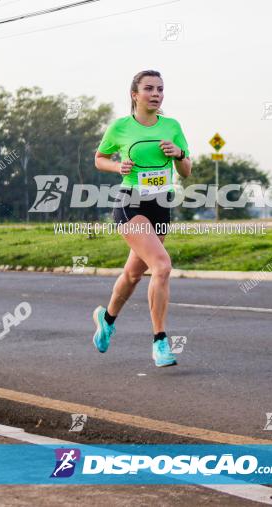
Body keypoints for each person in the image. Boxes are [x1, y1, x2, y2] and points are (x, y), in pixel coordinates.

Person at [92, 70, 191, 367]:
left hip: (161, 204)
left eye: (160, 89)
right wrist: (118, 166)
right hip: (130, 203)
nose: (156, 94)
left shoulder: (172, 126)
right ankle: (160, 341)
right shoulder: (120, 127)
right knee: (161, 266)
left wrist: (179, 152)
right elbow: (99, 158)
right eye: (149, 88)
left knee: (134, 274)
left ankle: (107, 319)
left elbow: (186, 171)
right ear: (135, 94)